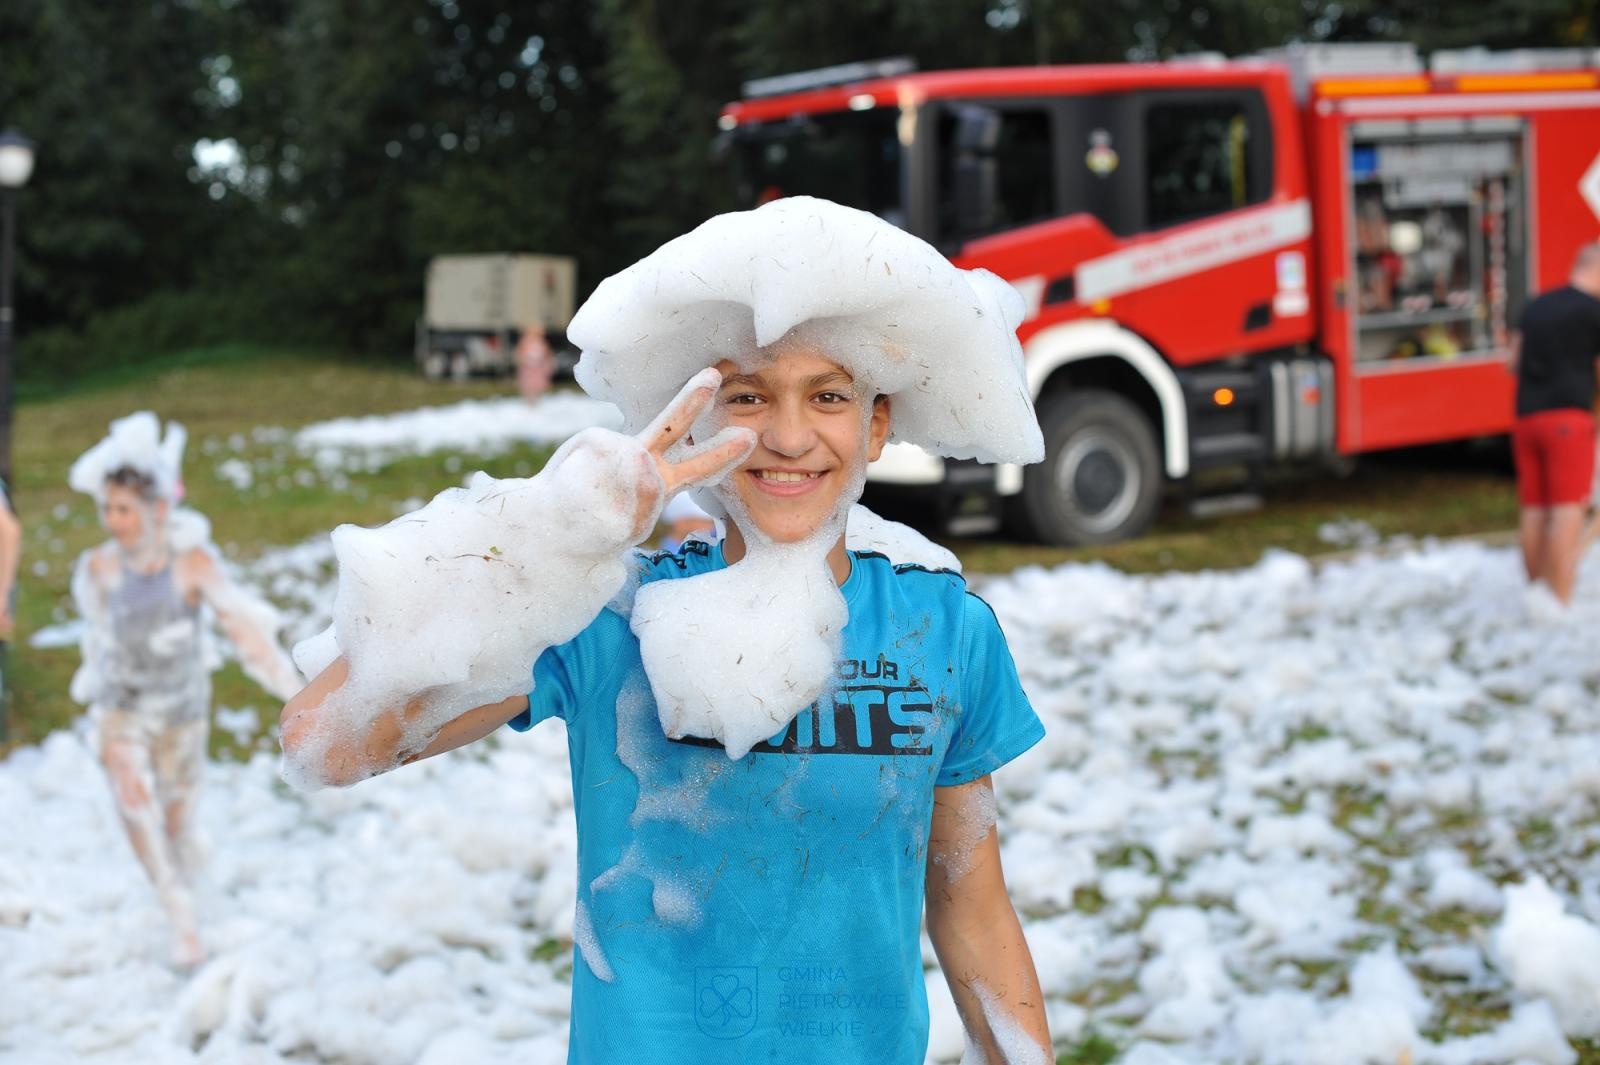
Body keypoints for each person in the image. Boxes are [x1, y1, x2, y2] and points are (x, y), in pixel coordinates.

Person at [282, 197, 1053, 1063]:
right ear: (701, 416)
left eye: (828, 395)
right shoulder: (605, 617)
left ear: (877, 423)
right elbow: (324, 742)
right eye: (749, 396)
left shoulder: (943, 630)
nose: (790, 436)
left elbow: (970, 900)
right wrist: (551, 538)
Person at [70, 412, 303, 966]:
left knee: (177, 824)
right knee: (132, 800)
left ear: (158, 509)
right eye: (106, 508)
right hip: (122, 709)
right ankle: (180, 918)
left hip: (182, 713)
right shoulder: (98, 567)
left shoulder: (192, 565)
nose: (113, 520)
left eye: (123, 509)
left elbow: (245, 633)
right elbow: (98, 637)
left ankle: (193, 896)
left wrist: (293, 692)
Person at [1511, 241, 1600, 604]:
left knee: (1534, 511)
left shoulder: (1535, 305)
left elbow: (1512, 363)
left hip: (1526, 418)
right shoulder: (1593, 311)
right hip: (1569, 421)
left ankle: (1536, 596)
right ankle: (1558, 602)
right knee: (1567, 513)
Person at [515, 322, 556, 404]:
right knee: (528, 385)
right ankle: (529, 400)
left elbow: (547, 355)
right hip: (528, 368)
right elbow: (520, 354)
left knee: (536, 384)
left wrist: (547, 364)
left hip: (537, 368)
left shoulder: (542, 343)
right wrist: (526, 360)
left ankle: (535, 399)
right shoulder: (525, 342)